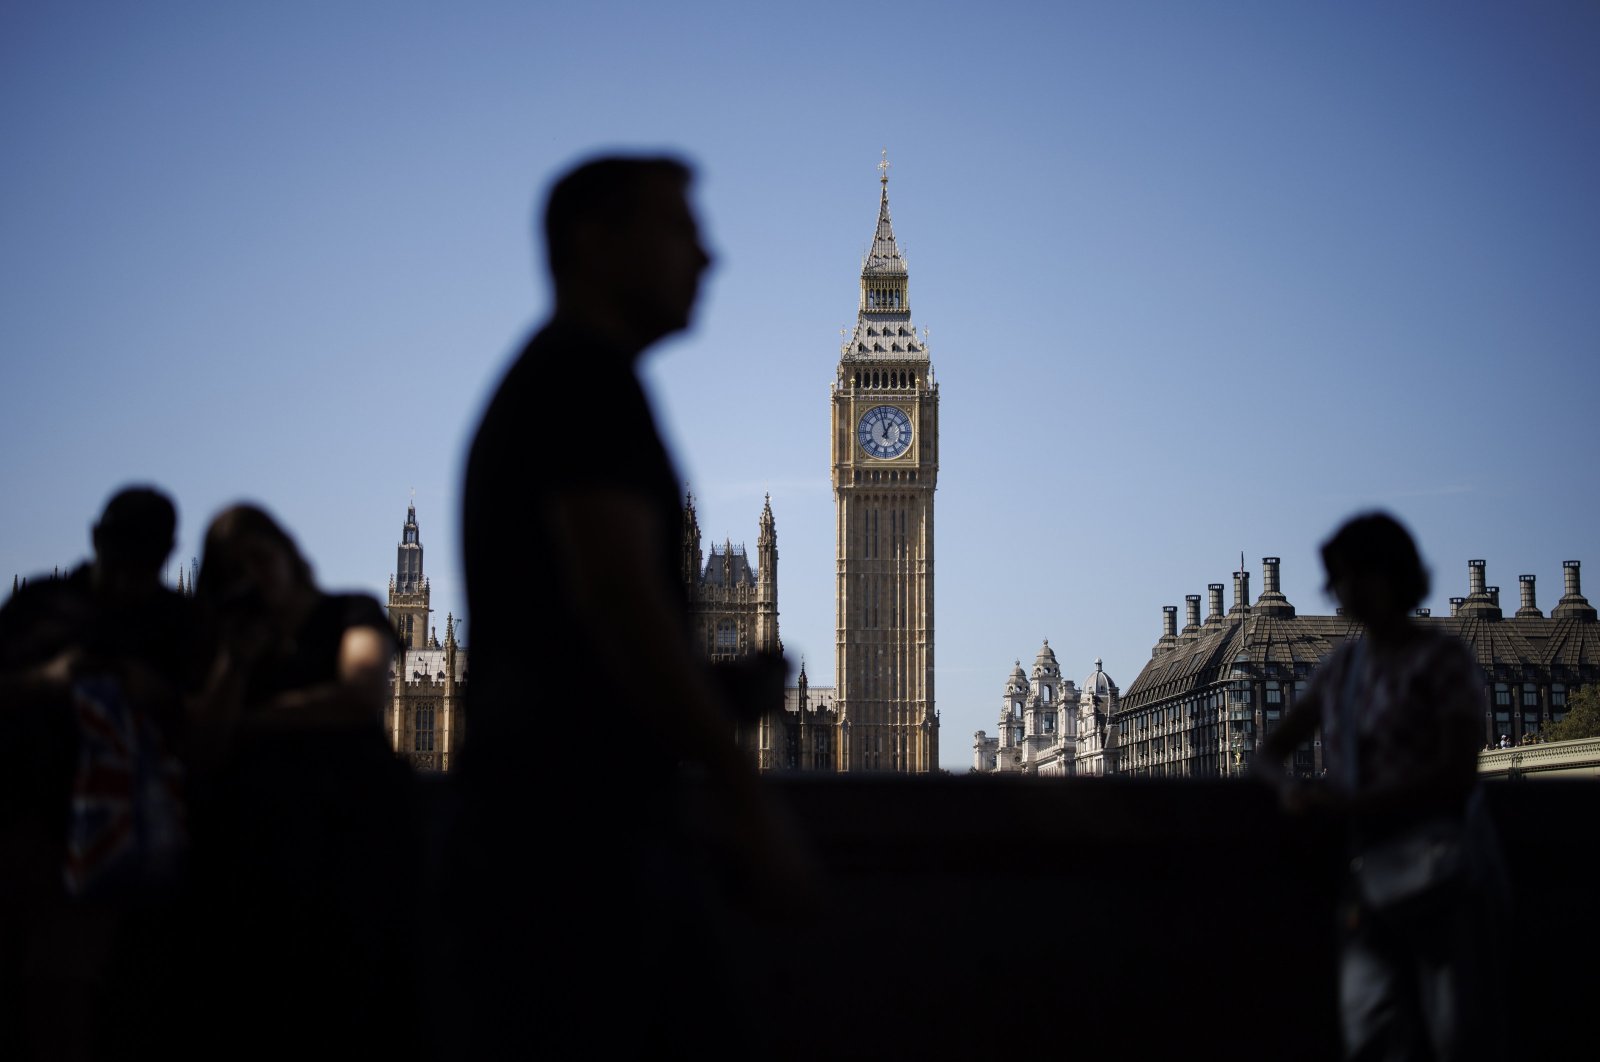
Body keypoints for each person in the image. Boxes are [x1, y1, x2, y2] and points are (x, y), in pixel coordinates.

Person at [448, 154, 816, 1058]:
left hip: (554, 837)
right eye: (679, 228)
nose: (709, 256)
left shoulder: (559, 377)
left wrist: (729, 690)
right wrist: (743, 791)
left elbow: (580, 632)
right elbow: (617, 604)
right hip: (572, 850)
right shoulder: (582, 382)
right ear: (595, 242)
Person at [1256, 512, 1509, 1062]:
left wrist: (1350, 804)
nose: (1343, 591)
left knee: (1457, 1038)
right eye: (1338, 579)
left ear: (1393, 576)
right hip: (1368, 881)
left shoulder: (1444, 659)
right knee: (1371, 1040)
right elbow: (1270, 753)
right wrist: (1290, 790)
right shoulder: (1340, 669)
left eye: (1354, 575)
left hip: (1441, 877)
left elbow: (1457, 772)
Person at [183, 503, 424, 1061]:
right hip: (257, 853)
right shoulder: (226, 646)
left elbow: (360, 693)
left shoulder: (351, 613)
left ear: (290, 555)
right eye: (234, 570)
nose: (254, 577)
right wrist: (236, 660)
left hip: (352, 837)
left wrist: (251, 718)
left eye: (260, 559)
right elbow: (197, 743)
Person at [0, 485, 197, 1062]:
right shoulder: (41, 605)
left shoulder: (176, 621)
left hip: (134, 842)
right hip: (36, 830)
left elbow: (210, 721)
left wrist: (154, 692)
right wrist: (49, 681)